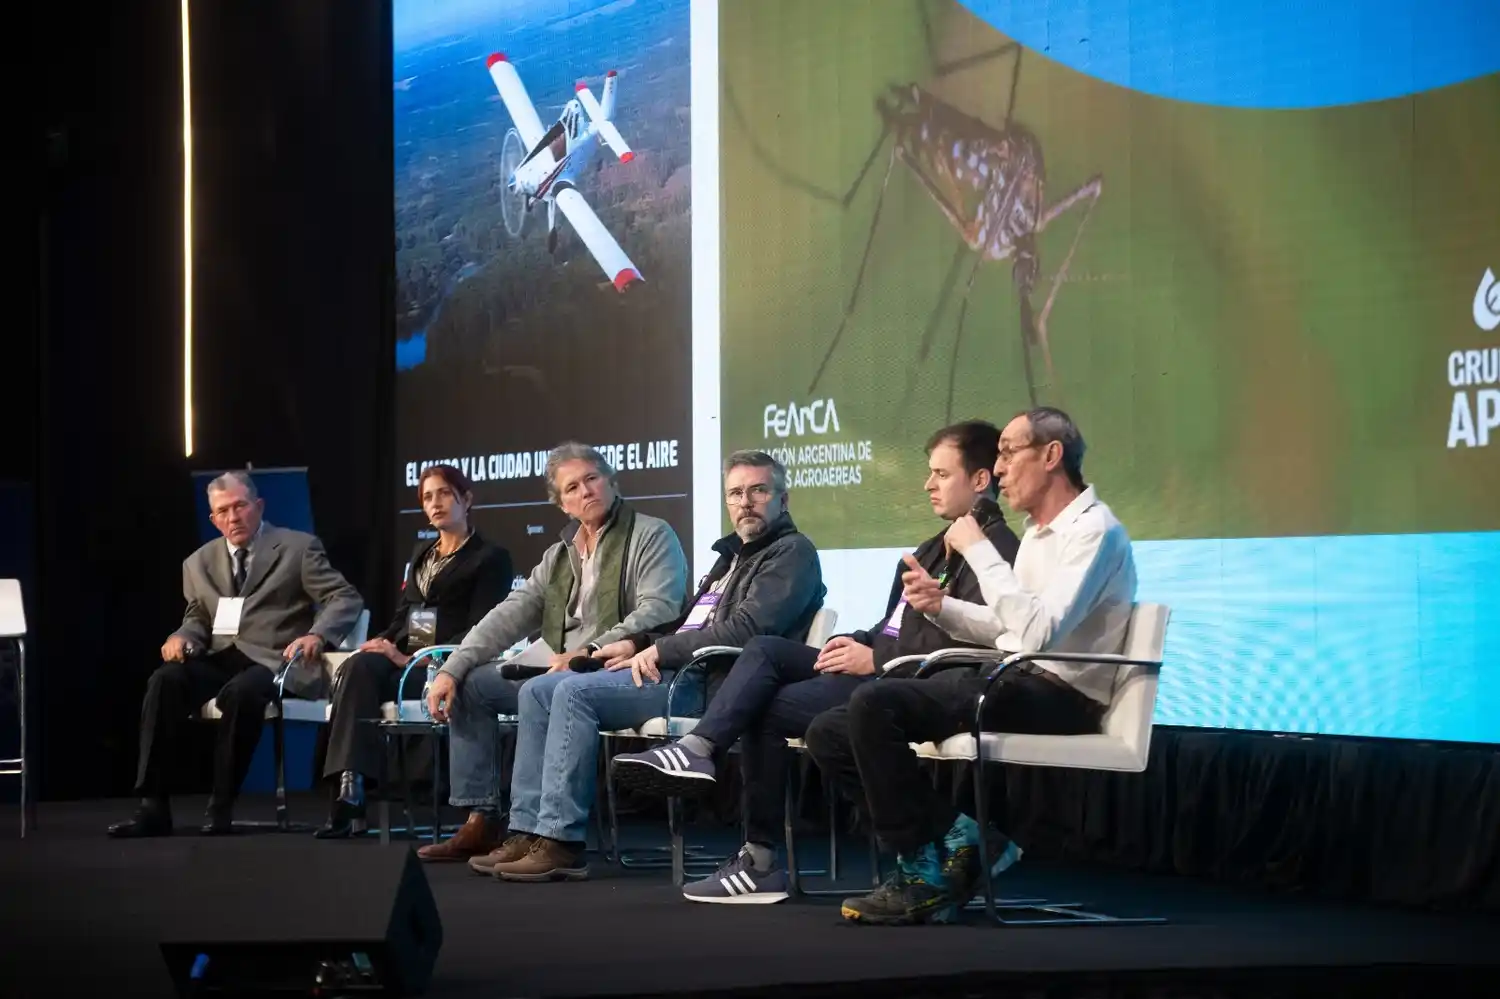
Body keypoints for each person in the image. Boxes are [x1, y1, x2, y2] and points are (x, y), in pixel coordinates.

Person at [611, 421, 1022, 903]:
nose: (928, 485)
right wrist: (854, 640)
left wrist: (876, 656)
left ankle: (746, 832)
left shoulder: (1000, 553)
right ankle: (711, 770)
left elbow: (972, 644)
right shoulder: (930, 549)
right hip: (881, 667)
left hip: (911, 684)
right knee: (765, 656)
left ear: (978, 480)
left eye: (940, 474)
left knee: (762, 690)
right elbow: (894, 625)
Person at [804, 407, 1137, 925]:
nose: (999, 470)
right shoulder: (1040, 533)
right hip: (1016, 678)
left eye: (1008, 453)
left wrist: (981, 552)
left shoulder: (1095, 531)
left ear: (1051, 456)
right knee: (830, 729)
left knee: (875, 701)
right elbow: (1009, 628)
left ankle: (923, 871)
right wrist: (942, 607)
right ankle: (960, 841)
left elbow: (1038, 633)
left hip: (1063, 697)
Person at [470, 449, 825, 883]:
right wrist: (638, 642)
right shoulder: (730, 558)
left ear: (783, 500)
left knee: (572, 692)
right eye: (735, 493)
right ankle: (527, 831)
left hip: (715, 685)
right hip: (681, 671)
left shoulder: (792, 553)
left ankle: (562, 842)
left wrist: (659, 651)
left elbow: (747, 630)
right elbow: (690, 623)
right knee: (538, 690)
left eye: (758, 490)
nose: (745, 501)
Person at [414, 442, 689, 862]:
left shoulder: (651, 534)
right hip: (561, 667)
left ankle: (535, 831)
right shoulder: (559, 555)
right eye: (573, 487)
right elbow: (509, 614)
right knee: (473, 684)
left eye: (593, 479)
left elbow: (660, 609)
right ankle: (482, 820)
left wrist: (587, 652)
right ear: (563, 504)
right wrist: (453, 667)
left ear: (611, 482)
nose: (586, 491)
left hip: (622, 666)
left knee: (540, 691)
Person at [108, 471, 364, 837]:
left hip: (277, 660)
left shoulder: (297, 547)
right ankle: (152, 805)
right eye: (223, 511)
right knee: (165, 680)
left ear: (258, 506)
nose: (233, 517)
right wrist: (182, 636)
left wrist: (317, 634)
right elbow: (197, 616)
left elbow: (344, 597)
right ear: (213, 518)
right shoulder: (197, 562)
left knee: (243, 692)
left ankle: (221, 805)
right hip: (221, 655)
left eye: (240, 506)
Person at [315, 463, 513, 838]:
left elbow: (483, 630)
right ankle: (350, 786)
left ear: (466, 499)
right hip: (407, 660)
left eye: (443, 494)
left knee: (372, 671)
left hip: (448, 665)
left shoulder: (490, 557)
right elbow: (407, 614)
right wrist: (383, 642)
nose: (434, 503)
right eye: (427, 497)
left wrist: (410, 658)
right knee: (358, 666)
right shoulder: (423, 552)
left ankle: (353, 792)